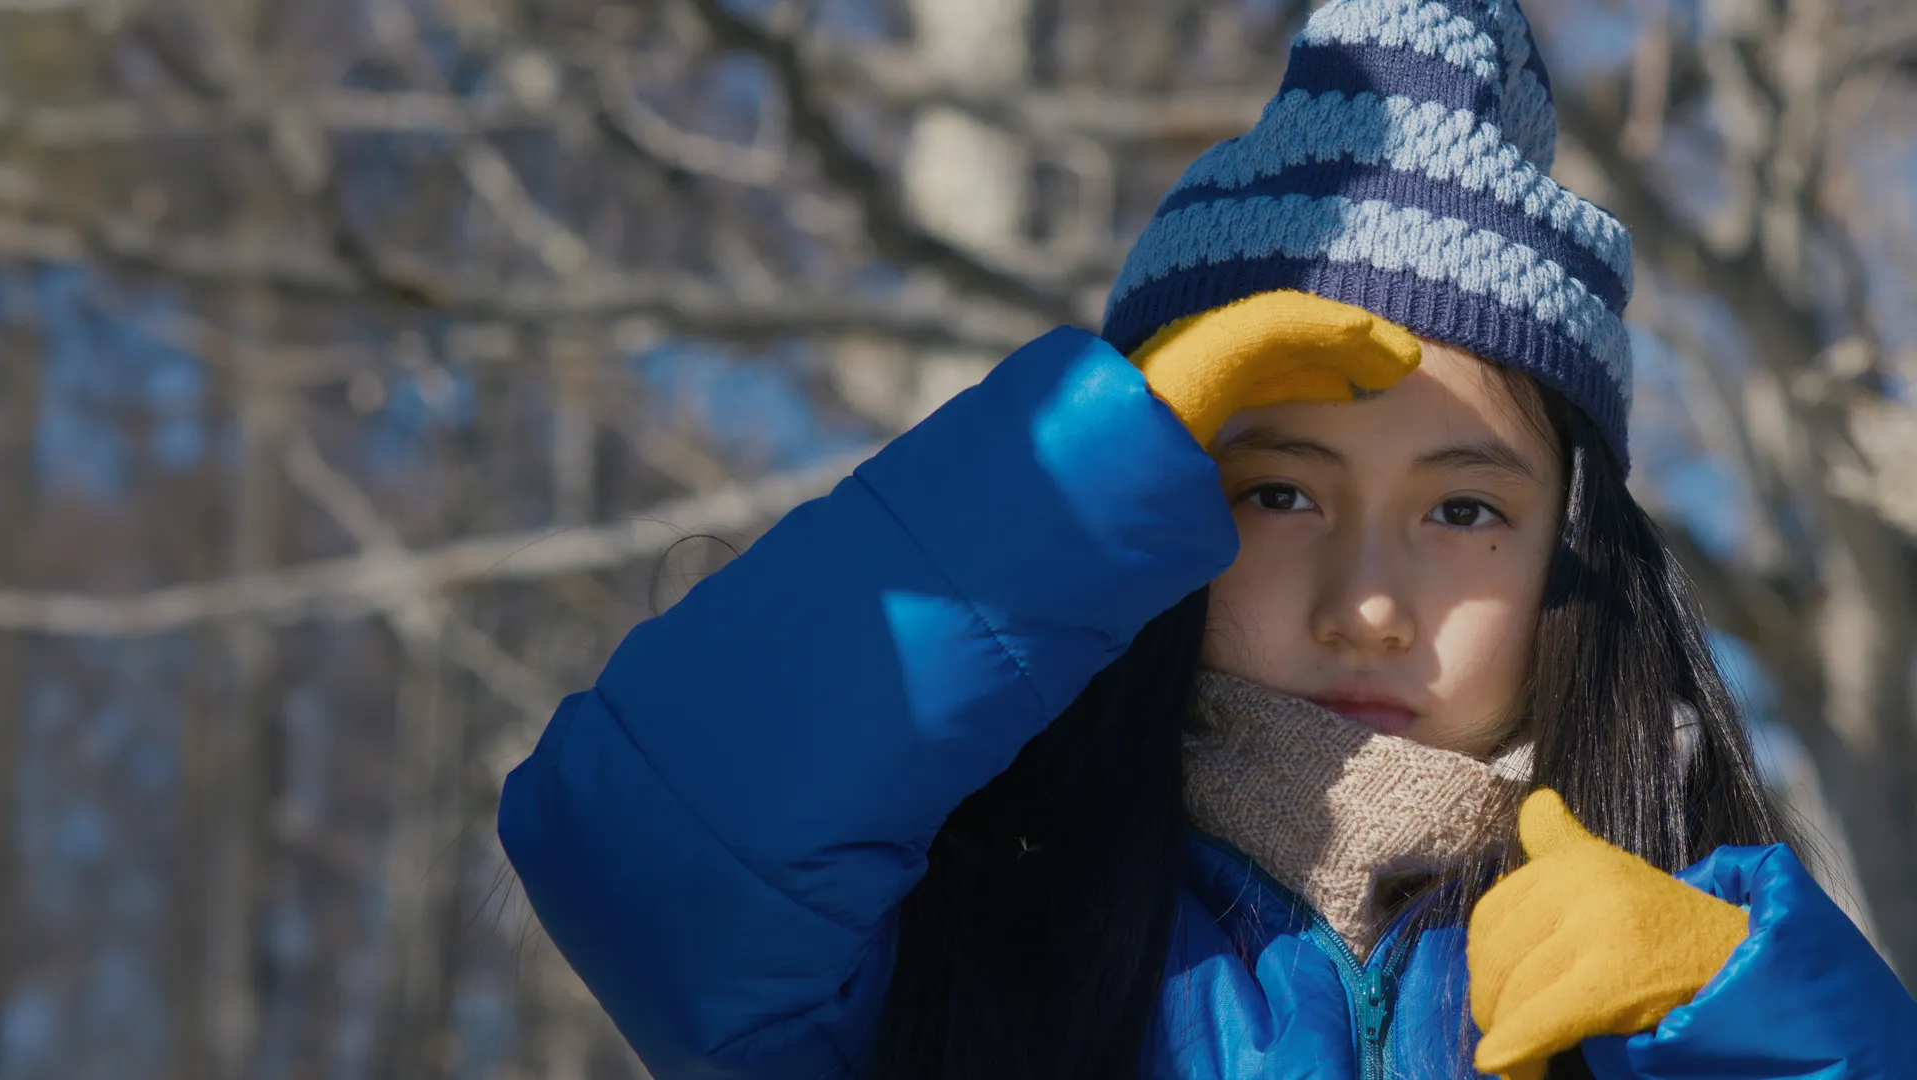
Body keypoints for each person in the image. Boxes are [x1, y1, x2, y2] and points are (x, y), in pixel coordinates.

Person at [497, 0, 1917, 1076]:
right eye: (1277, 494)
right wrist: (1077, 468)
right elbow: (644, 853)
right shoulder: (971, 938)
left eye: (1464, 510)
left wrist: (1753, 1033)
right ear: (1152, 521)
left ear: (1574, 550)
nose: (1367, 604)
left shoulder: (1683, 983)